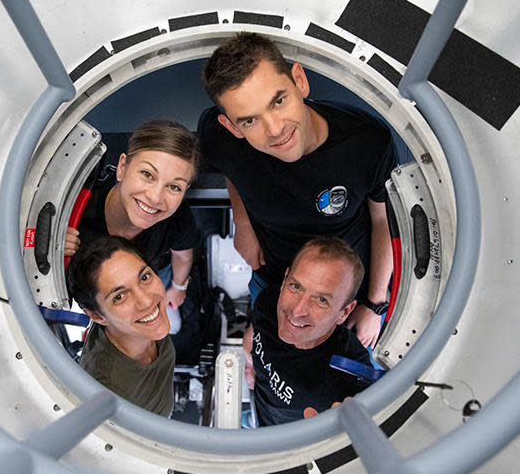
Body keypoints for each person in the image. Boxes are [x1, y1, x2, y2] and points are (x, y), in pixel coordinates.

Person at [199, 32, 396, 349]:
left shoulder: (366, 141)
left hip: (348, 292)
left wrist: (374, 303)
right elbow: (229, 167)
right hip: (271, 277)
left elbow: (382, 221)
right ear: (232, 127)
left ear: (300, 81)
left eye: (278, 101)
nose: (275, 130)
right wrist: (243, 223)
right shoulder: (219, 137)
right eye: (250, 121)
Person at [65, 119, 200, 311]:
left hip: (156, 270)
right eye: (147, 174)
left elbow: (183, 257)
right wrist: (52, 251)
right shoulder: (74, 210)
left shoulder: (177, 218)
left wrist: (178, 288)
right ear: (122, 168)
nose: (155, 197)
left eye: (174, 187)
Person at [244, 237, 372, 426]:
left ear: (344, 313)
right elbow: (257, 328)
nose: (297, 311)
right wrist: (252, 360)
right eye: (296, 286)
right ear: (285, 279)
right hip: (260, 412)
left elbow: (374, 407)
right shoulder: (269, 301)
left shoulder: (348, 370)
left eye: (321, 300)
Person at [67, 235, 175, 417]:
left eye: (145, 277)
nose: (147, 301)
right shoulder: (107, 393)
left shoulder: (144, 326)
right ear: (97, 315)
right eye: (119, 297)